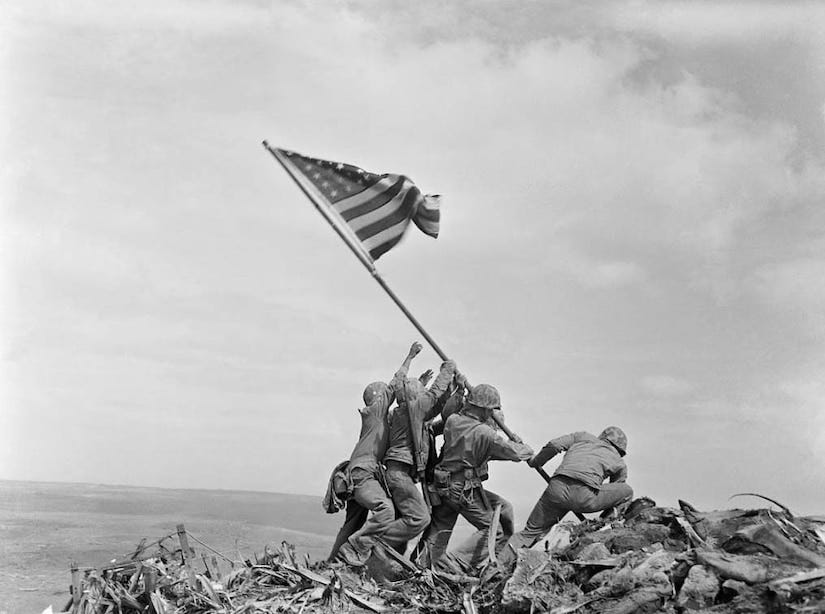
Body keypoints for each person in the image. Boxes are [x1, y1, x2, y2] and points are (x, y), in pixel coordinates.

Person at [423, 383, 534, 571]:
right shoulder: (485, 433)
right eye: (490, 410)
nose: (491, 413)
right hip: (462, 488)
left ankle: (424, 565)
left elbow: (485, 450)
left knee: (441, 529)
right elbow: (515, 453)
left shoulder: (453, 421)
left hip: (444, 485)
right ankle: (456, 564)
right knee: (493, 530)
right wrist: (523, 446)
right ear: (484, 409)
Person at [332, 342, 423, 566]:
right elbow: (395, 383)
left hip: (360, 473)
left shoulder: (378, 419)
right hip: (363, 474)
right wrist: (410, 356)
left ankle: (333, 563)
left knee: (353, 523)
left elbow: (405, 401)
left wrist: (420, 385)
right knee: (386, 510)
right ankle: (356, 548)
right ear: (379, 397)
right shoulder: (375, 412)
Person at [501, 427, 633, 565]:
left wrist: (536, 462)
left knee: (528, 533)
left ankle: (497, 566)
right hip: (584, 497)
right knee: (627, 491)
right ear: (620, 449)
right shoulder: (619, 462)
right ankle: (603, 527)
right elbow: (616, 490)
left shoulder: (582, 437)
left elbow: (554, 445)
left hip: (556, 490)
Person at [378, 356, 457, 552]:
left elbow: (437, 406)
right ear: (416, 396)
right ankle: (372, 542)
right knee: (420, 518)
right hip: (399, 474)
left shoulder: (406, 414)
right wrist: (448, 369)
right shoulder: (412, 409)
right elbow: (434, 394)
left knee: (402, 522)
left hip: (399, 474)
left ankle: (384, 558)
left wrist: (453, 390)